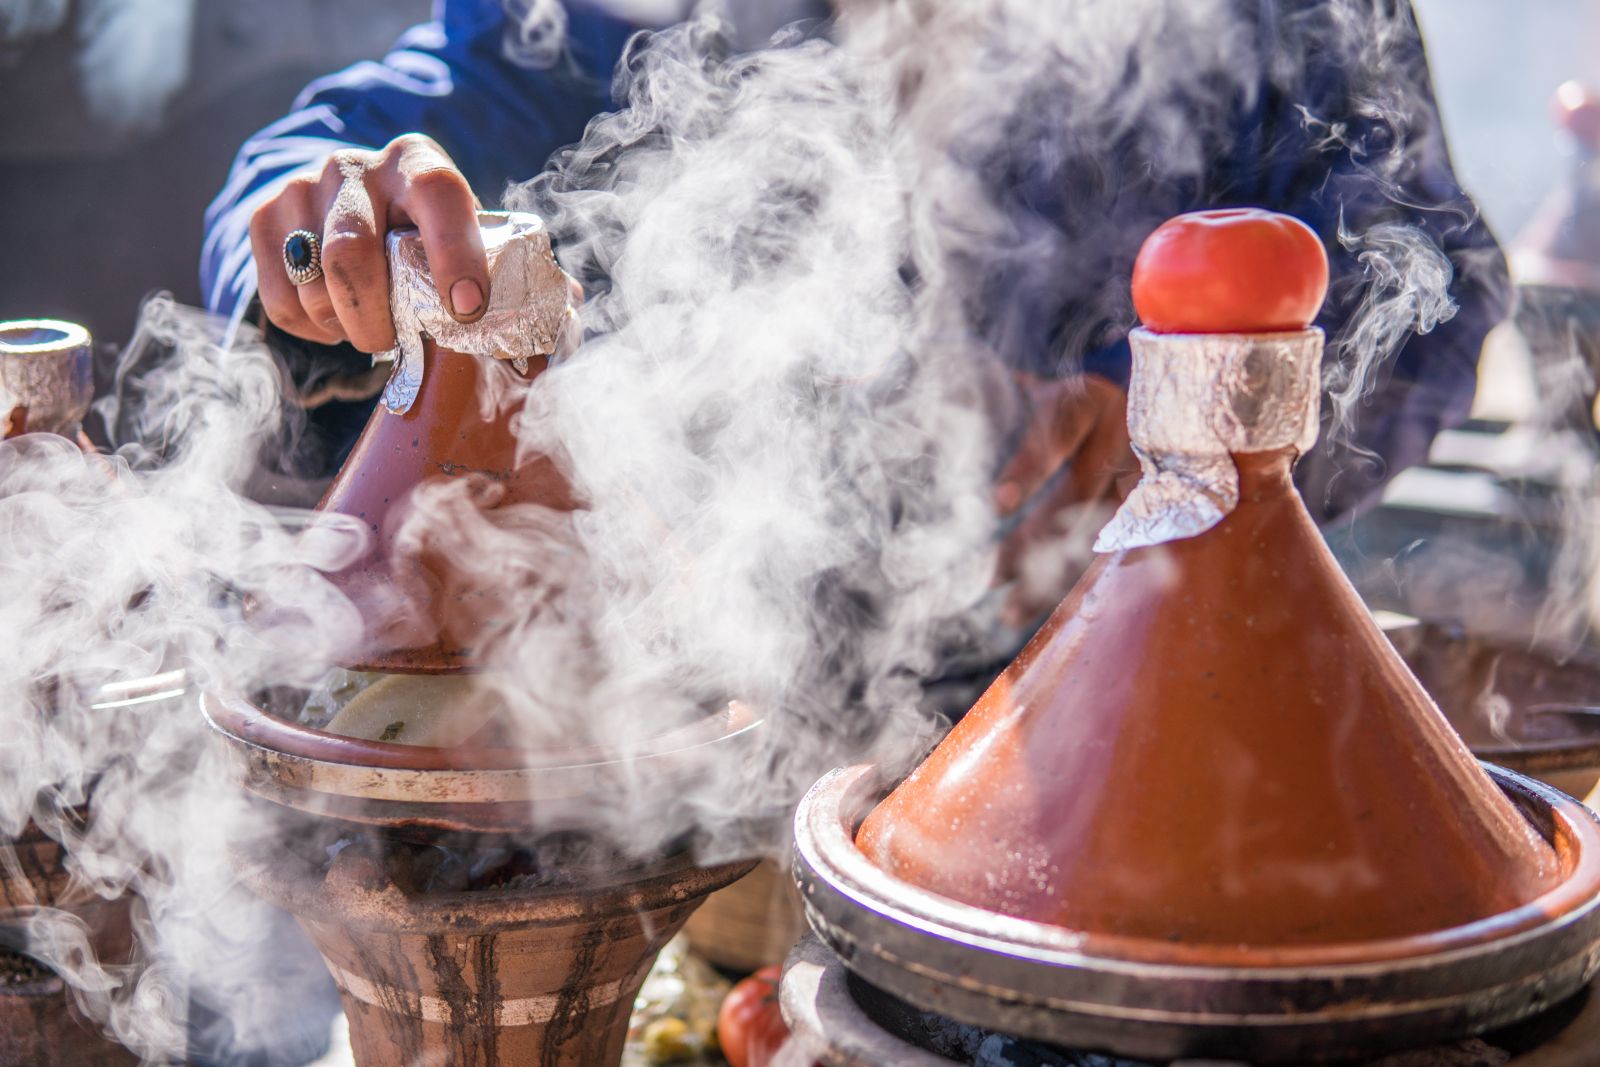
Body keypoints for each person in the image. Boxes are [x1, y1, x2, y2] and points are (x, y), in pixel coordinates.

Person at [202, 0, 1510, 623]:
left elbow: (1428, 277)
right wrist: (314, 233)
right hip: (719, 692)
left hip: (1135, 657)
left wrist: (1165, 419)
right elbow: (441, 91)